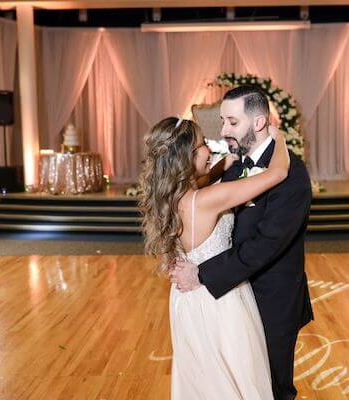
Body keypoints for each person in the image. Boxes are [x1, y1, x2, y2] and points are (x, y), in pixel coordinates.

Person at [172, 85, 314, 400]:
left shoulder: (292, 177)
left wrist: (202, 274)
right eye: (223, 121)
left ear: (260, 122)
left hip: (271, 302)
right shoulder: (235, 166)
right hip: (229, 300)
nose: (223, 131)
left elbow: (265, 245)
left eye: (232, 122)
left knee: (273, 390)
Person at [140, 113, 290, 399]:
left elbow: (204, 179)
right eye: (202, 144)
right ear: (187, 155)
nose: (209, 148)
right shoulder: (207, 199)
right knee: (233, 379)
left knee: (205, 380)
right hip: (219, 300)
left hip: (188, 301)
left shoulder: (171, 195)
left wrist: (225, 164)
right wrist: (278, 136)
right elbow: (277, 174)